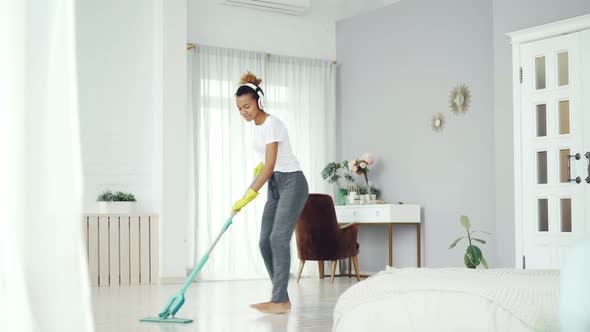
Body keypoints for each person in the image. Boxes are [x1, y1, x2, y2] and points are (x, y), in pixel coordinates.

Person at [231, 71, 309, 314]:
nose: (243, 111)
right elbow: (265, 164)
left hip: (292, 182)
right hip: (275, 184)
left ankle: (277, 300)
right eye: (239, 108)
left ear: (259, 102)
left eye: (247, 106)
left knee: (278, 237)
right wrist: (260, 174)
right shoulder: (256, 127)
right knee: (265, 241)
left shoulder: (272, 123)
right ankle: (282, 298)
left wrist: (247, 195)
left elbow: (271, 165)